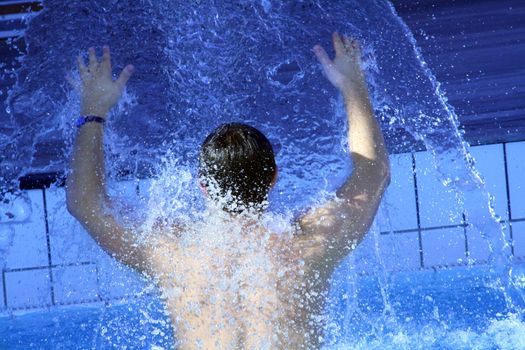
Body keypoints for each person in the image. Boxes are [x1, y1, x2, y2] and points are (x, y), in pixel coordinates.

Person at [66, 32, 390, 349]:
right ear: (273, 177)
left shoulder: (170, 252)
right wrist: (353, 85)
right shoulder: (310, 242)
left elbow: (85, 203)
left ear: (203, 187)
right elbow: (374, 173)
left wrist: (93, 109)